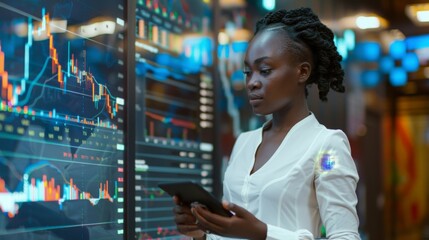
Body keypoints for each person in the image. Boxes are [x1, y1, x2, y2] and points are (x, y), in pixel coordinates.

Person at [172, 7, 360, 240]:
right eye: (247, 72)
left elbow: (345, 237)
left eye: (265, 70)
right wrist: (202, 231)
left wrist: (264, 233)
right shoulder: (244, 142)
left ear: (302, 72)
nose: (252, 82)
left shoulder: (327, 148)